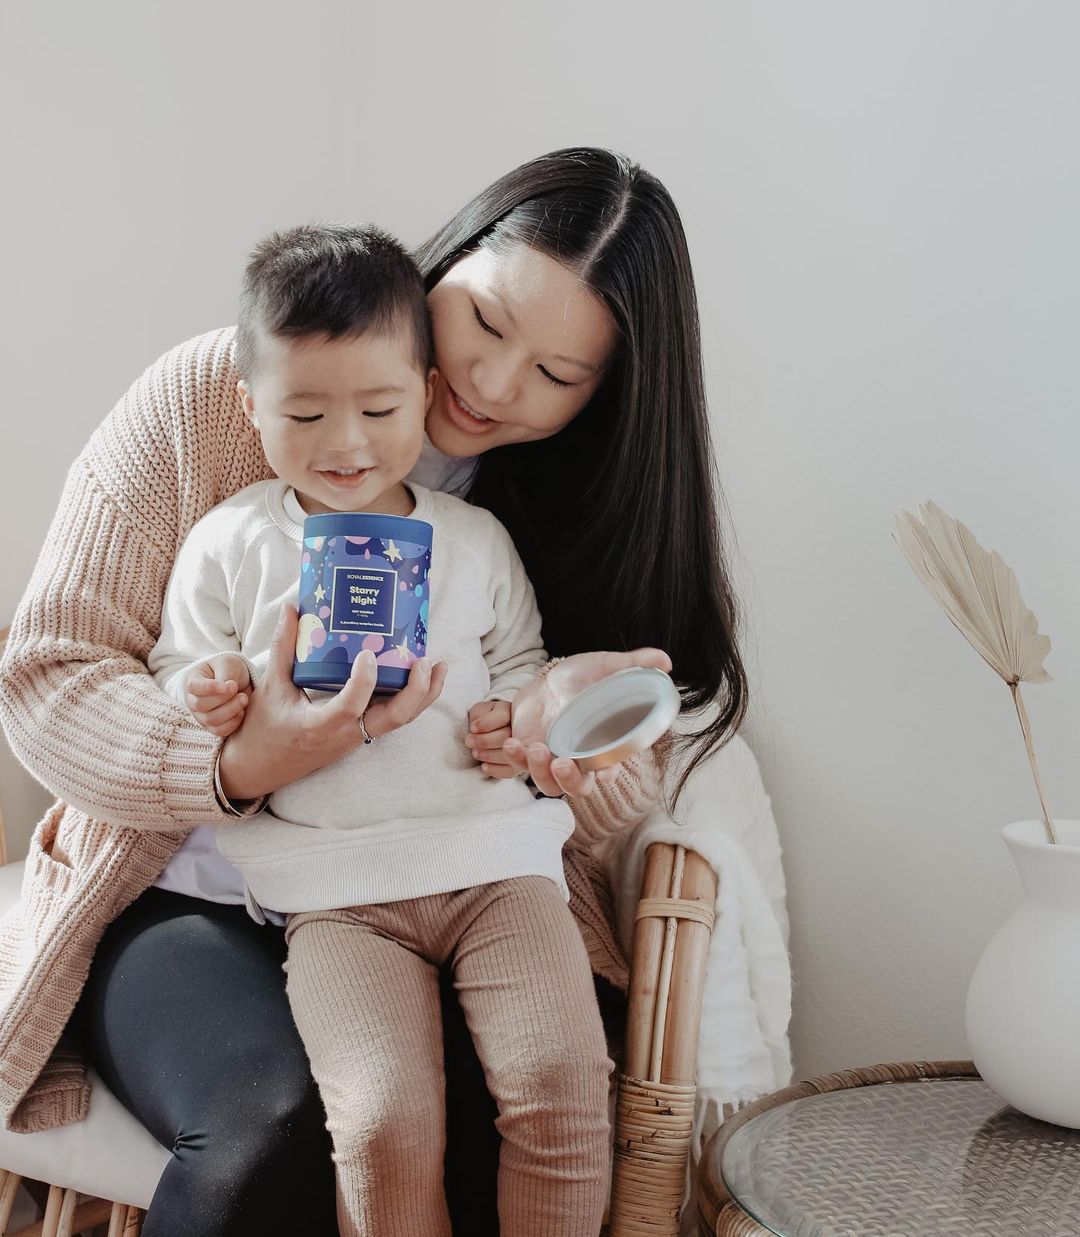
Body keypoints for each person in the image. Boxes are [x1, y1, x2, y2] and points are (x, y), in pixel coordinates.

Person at [0, 147, 747, 1236]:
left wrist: (570, 740)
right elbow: (48, 671)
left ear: (605, 395)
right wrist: (233, 757)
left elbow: (589, 791)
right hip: (186, 890)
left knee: (532, 1112)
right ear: (448, 256)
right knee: (278, 1129)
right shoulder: (221, 399)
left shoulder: (557, 510)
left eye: (555, 374)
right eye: (485, 322)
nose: (494, 384)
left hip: (460, 874)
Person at [151, 221, 617, 1236]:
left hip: (496, 862)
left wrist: (520, 716)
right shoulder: (230, 541)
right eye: (304, 412)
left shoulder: (475, 540)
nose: (346, 443)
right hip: (333, 890)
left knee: (562, 1087)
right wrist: (213, 691)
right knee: (380, 1122)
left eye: (379, 408)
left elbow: (525, 664)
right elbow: (176, 669)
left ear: (424, 389)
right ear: (250, 404)